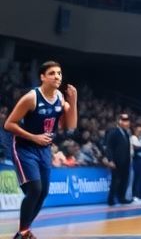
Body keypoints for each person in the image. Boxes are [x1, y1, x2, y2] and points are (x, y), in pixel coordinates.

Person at [3, 61, 78, 239]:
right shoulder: (32, 97)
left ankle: (23, 232)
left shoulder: (60, 97)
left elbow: (71, 127)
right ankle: (23, 232)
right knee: (35, 189)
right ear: (42, 77)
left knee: (43, 193)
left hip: (44, 149)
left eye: (59, 73)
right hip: (24, 148)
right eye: (52, 73)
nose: (57, 76)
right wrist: (33, 137)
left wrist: (73, 102)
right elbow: (8, 124)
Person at [104, 113, 133, 205]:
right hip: (116, 161)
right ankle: (111, 199)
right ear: (119, 121)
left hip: (126, 161)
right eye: (124, 121)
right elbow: (109, 147)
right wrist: (110, 160)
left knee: (124, 180)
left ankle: (122, 197)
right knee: (115, 180)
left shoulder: (126, 133)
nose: (127, 123)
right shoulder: (113, 132)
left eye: (127, 121)